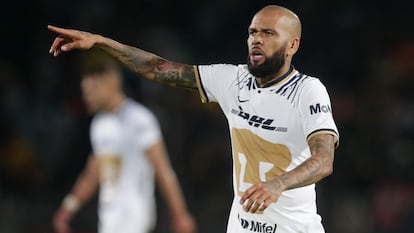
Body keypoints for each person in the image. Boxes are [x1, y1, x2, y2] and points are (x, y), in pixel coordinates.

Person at [48, 4, 339, 233]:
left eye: (268, 33)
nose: (256, 40)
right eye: (252, 32)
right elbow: (157, 68)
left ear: (292, 46)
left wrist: (277, 184)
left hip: (294, 228)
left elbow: (324, 160)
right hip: (242, 226)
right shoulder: (232, 80)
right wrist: (101, 43)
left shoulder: (307, 91)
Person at [52, 49, 196, 233]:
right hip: (109, 220)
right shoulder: (99, 124)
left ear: (111, 85)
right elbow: (94, 170)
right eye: (85, 91)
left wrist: (180, 214)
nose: (87, 96)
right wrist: (69, 206)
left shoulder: (139, 120)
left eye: (92, 90)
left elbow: (163, 170)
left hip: (134, 219)